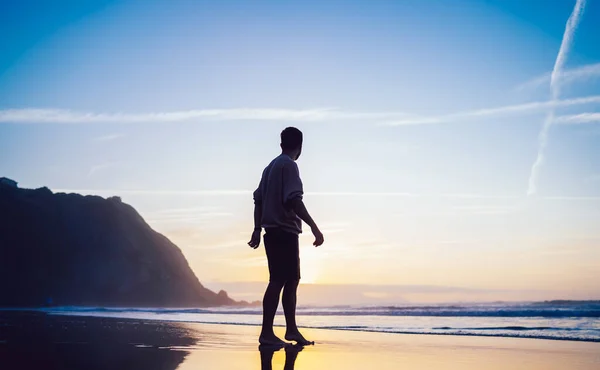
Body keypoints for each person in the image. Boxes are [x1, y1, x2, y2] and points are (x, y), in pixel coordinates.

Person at [248, 127, 324, 346]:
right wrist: (314, 227)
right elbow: (294, 200)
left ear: (281, 144)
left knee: (290, 279)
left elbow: (258, 200)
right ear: (300, 147)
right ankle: (267, 333)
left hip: (272, 232)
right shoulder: (289, 165)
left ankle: (290, 330)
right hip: (284, 231)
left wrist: (256, 229)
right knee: (280, 281)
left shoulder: (269, 167)